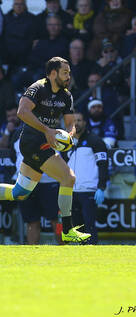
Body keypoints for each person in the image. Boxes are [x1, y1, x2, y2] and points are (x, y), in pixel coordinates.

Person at [0, 56, 91, 243]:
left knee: (19, 193)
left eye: (69, 73)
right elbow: (22, 112)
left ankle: (67, 230)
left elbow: (70, 123)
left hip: (44, 142)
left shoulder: (66, 95)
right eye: (65, 72)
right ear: (52, 73)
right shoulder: (37, 88)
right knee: (69, 177)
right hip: (33, 141)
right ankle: (67, 229)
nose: (68, 76)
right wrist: (48, 130)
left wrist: (70, 135)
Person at [63, 112, 108, 244]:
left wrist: (101, 188)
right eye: (74, 121)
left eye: (79, 120)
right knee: (76, 226)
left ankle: (92, 252)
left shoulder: (96, 141)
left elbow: (103, 165)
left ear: (85, 123)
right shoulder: (67, 142)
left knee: (89, 225)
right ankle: (80, 254)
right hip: (71, 191)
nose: (76, 123)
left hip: (89, 190)